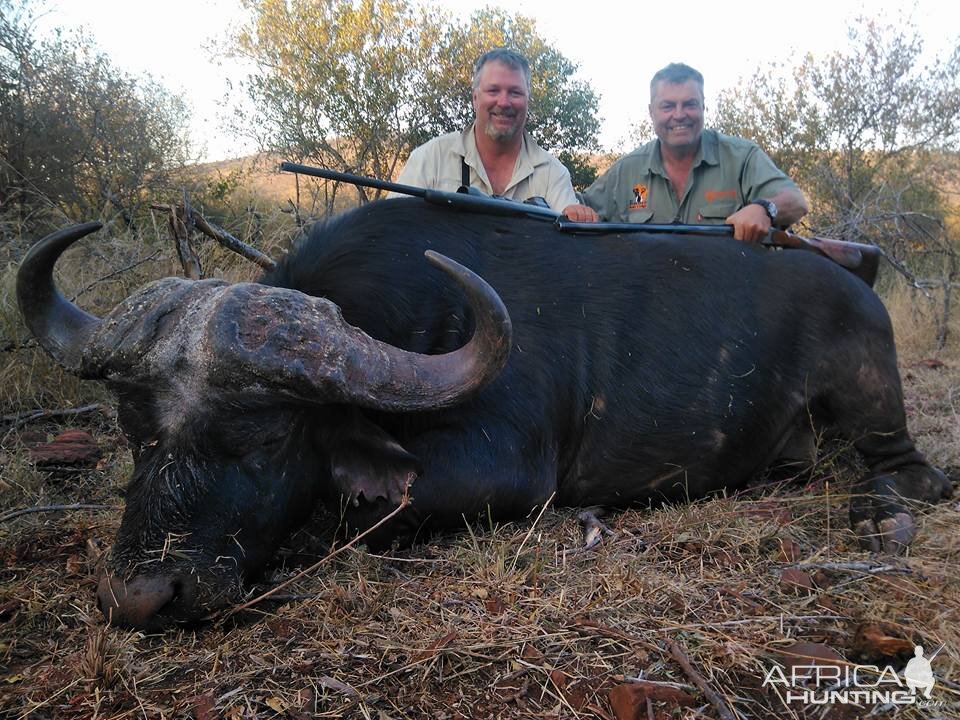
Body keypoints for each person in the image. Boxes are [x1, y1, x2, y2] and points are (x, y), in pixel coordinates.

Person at [566, 63, 809, 241]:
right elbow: (576, 208)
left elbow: (796, 201)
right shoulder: (627, 170)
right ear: (652, 112)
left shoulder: (741, 157)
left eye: (690, 104)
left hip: (730, 299)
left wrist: (765, 209)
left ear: (703, 107)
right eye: (668, 106)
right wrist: (572, 209)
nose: (679, 114)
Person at [393, 48, 581, 215]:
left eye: (515, 93)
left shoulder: (553, 174)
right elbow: (392, 228)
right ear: (475, 98)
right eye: (493, 91)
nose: (504, 102)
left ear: (527, 101)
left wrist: (579, 217)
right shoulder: (430, 158)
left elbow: (571, 242)